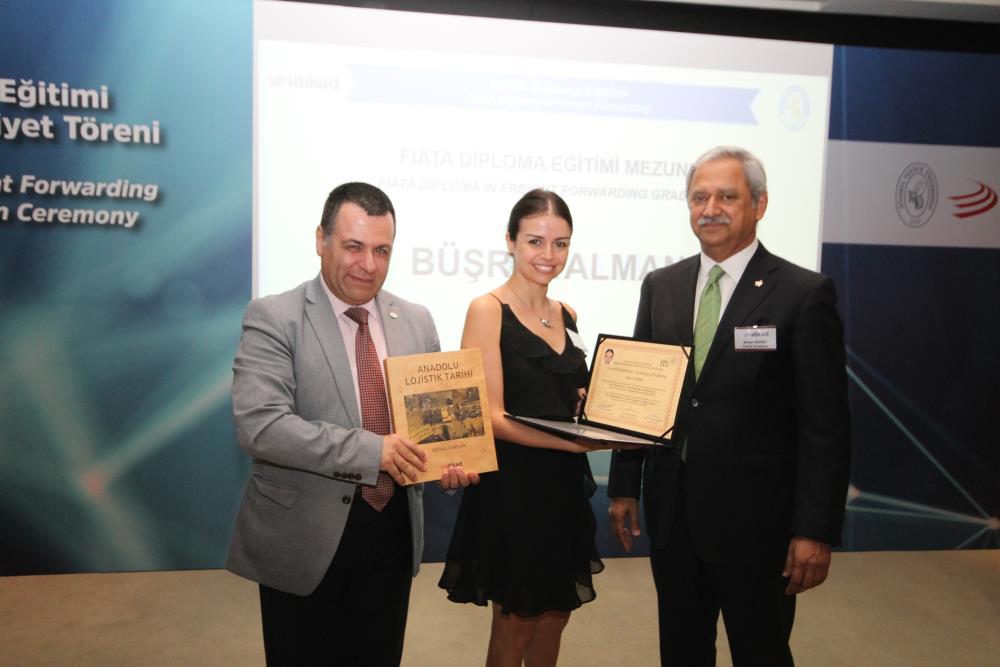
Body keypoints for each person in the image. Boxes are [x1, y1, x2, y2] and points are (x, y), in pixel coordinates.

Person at [608, 147, 851, 666]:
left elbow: (825, 427)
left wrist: (814, 529)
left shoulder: (803, 293)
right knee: (681, 653)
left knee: (761, 653)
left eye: (727, 197)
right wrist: (625, 484)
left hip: (760, 526)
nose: (710, 209)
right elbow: (640, 395)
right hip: (674, 518)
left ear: (759, 205)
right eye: (699, 197)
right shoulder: (662, 286)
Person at [226, 182, 477, 666]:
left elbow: (431, 427)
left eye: (382, 251)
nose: (368, 264)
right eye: (354, 246)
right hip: (304, 537)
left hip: (392, 533)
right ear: (320, 240)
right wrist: (372, 451)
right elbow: (260, 426)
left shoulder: (417, 320)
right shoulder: (274, 316)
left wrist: (448, 460)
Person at [438, 189, 609, 667]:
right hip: (512, 492)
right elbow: (490, 417)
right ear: (510, 241)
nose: (548, 255)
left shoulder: (568, 314)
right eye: (535, 241)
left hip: (562, 490)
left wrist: (590, 406)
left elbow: (566, 395)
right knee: (515, 626)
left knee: (555, 618)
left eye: (560, 243)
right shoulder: (487, 309)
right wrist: (571, 443)